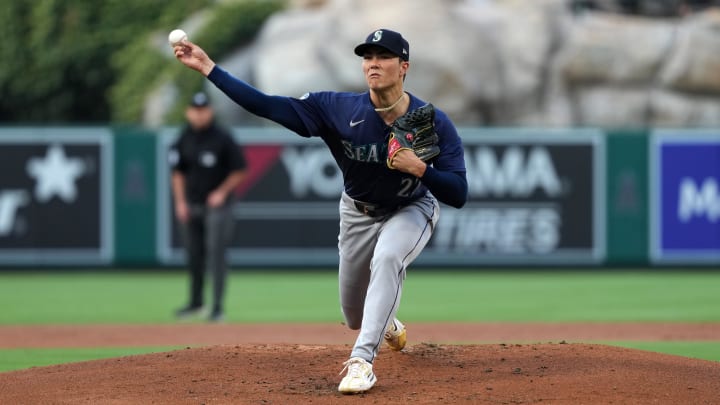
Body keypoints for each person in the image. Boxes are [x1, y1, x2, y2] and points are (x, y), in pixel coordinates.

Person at [173, 28, 467, 393]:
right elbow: (267, 105)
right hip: (358, 212)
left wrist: (422, 169)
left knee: (389, 257)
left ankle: (362, 362)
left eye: (383, 57)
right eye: (367, 57)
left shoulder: (431, 122)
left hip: (411, 208)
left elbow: (458, 192)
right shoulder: (336, 109)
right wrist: (209, 68)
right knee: (353, 315)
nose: (373, 64)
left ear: (403, 66)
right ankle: (385, 321)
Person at [169, 91, 248, 323]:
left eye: (203, 110)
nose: (199, 114)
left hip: (218, 207)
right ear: (188, 112)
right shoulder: (183, 138)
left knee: (216, 254)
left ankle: (217, 307)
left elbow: (240, 169)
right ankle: (195, 303)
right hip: (192, 204)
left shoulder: (222, 137)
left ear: (210, 112)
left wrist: (221, 192)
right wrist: (180, 202)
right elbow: (177, 174)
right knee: (194, 255)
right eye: (195, 110)